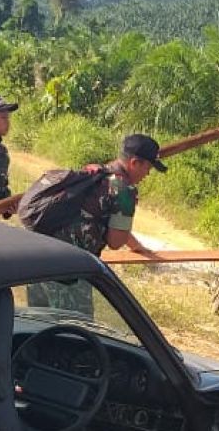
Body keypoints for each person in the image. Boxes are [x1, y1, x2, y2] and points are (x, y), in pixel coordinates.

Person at [25, 134, 161, 314]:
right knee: (76, 333)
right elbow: (115, 242)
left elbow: (95, 215)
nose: (148, 174)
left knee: (38, 326)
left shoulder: (95, 172)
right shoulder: (123, 190)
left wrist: (136, 245)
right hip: (68, 273)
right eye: (148, 167)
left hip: (37, 262)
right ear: (135, 163)